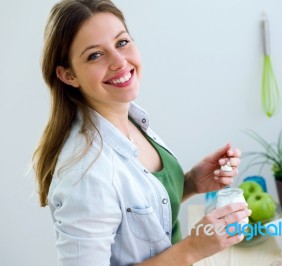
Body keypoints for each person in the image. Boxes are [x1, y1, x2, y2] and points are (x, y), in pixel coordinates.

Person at [32, 0, 251, 265]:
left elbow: (136, 216)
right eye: (95, 55)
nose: (119, 61)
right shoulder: (85, 176)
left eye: (122, 42)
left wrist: (192, 182)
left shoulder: (131, 121)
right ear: (68, 75)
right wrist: (193, 248)